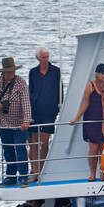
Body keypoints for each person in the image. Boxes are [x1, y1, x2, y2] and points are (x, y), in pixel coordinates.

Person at [66, 64, 104, 181]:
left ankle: (103, 173)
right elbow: (85, 103)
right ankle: (93, 173)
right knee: (94, 149)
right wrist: (76, 118)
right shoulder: (90, 86)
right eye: (103, 73)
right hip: (92, 121)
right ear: (97, 74)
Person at [0, 57, 33, 187]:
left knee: (20, 149)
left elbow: (26, 102)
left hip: (19, 124)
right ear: (3, 72)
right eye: (8, 72)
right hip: (3, 123)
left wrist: (26, 121)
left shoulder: (20, 82)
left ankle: (23, 177)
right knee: (7, 150)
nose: (11, 74)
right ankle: (11, 176)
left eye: (12, 71)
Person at [28, 47, 62, 182]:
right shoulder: (33, 72)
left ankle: (42, 170)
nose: (46, 60)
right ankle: (34, 171)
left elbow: (60, 90)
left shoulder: (56, 71)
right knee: (33, 142)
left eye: (47, 57)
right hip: (34, 109)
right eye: (43, 57)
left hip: (49, 110)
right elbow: (31, 91)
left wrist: (58, 108)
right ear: (38, 58)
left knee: (44, 141)